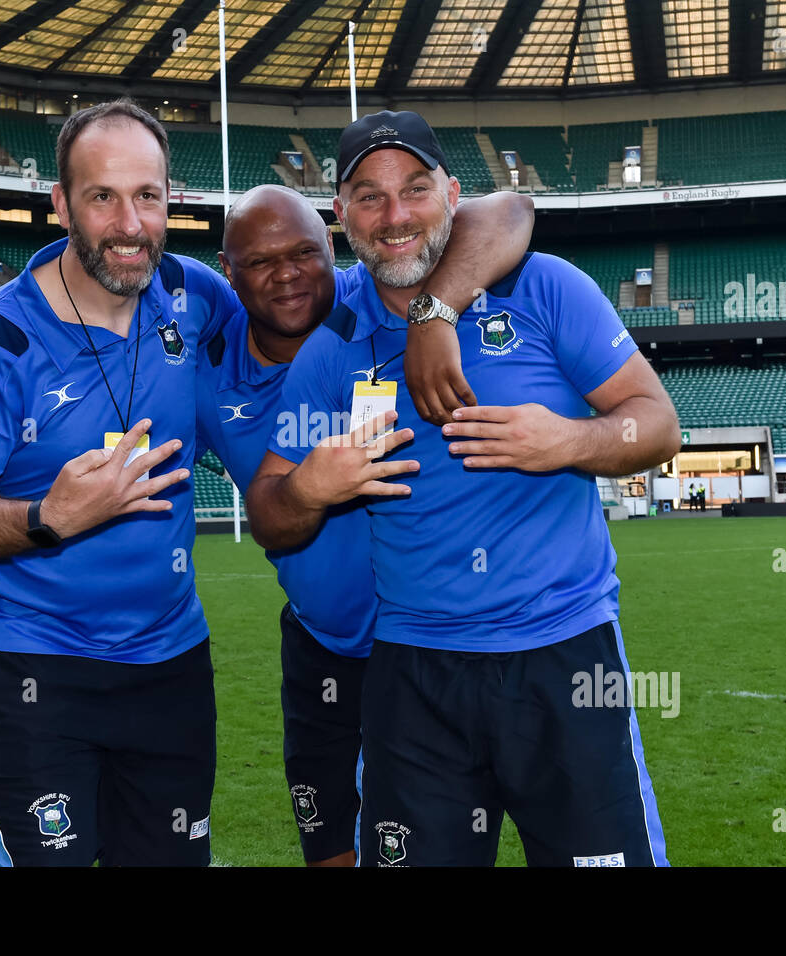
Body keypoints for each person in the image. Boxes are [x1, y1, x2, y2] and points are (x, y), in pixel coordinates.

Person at [246, 109, 682, 866]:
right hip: (413, 674)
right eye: (370, 197)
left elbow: (658, 425)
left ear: (451, 193)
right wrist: (309, 490)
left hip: (564, 653)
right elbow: (271, 518)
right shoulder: (329, 353)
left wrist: (569, 441)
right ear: (341, 215)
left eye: (414, 189)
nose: (396, 216)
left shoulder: (545, 290)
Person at [0, 99, 243, 867]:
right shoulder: (0, 340)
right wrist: (48, 516)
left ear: (171, 200)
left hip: (170, 664)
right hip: (33, 667)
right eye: (103, 197)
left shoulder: (194, 298)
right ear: (60, 204)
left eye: (148, 196)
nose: (130, 224)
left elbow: (301, 317)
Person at [197, 184, 532, 866]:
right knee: (331, 853)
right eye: (259, 263)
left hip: (418, 645)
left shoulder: (378, 295)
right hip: (320, 646)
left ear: (331, 243)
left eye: (301, 252)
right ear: (227, 274)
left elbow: (511, 211)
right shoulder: (209, 373)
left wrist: (434, 316)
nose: (286, 274)